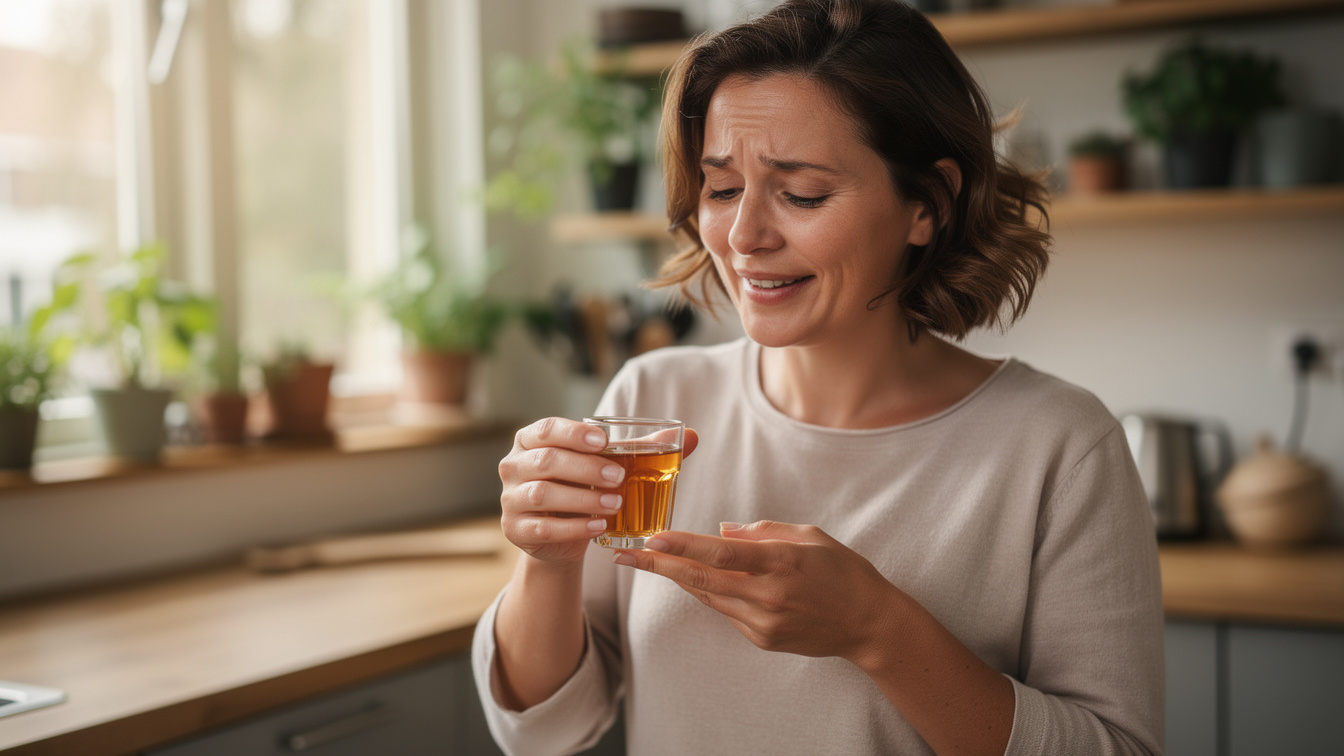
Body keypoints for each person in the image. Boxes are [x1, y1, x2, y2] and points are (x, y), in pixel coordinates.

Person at [473, 0, 1164, 753]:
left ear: (928, 204)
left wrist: (878, 630)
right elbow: (543, 734)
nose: (743, 238)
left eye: (801, 194)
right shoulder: (652, 404)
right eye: (723, 189)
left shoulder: (1059, 447)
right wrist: (546, 561)